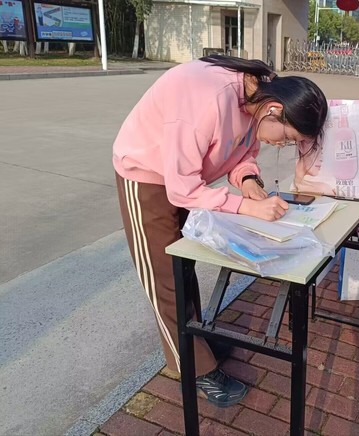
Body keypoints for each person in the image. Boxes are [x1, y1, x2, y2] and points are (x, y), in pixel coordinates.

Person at [113, 55, 327, 407]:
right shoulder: (207, 98)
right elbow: (182, 190)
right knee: (164, 278)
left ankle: (196, 340)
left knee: (184, 267)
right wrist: (246, 207)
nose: (282, 145)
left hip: (185, 178)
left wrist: (248, 180)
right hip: (146, 174)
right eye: (288, 138)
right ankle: (194, 369)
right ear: (275, 110)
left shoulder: (259, 95)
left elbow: (242, 151)